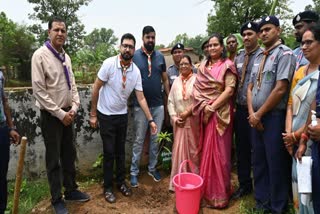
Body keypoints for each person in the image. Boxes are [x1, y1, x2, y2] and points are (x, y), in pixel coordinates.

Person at [89, 33, 157, 203]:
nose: (127, 49)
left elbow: (140, 97)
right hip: (105, 115)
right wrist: (93, 114)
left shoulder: (135, 71)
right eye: (125, 45)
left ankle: (120, 182)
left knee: (120, 152)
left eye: (130, 46)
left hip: (121, 115)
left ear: (134, 50)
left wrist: (151, 119)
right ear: (120, 47)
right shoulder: (109, 64)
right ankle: (107, 187)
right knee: (109, 152)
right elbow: (96, 88)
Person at [31, 16, 90, 214]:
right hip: (51, 116)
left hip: (68, 114)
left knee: (69, 154)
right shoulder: (40, 56)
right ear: (49, 32)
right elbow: (39, 90)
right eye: (56, 30)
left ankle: (71, 190)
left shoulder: (67, 57)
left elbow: (72, 85)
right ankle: (57, 199)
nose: (60, 33)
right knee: (53, 158)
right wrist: (59, 113)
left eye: (63, 30)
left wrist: (74, 107)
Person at [247, 16, 296, 213]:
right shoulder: (259, 57)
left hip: (274, 118)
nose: (264, 33)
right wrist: (252, 114)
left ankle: (278, 207)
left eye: (268, 29)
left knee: (275, 163)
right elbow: (250, 87)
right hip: (255, 118)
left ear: (278, 30)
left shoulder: (285, 54)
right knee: (258, 161)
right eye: (262, 31)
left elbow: (281, 88)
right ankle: (262, 202)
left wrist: (259, 114)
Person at [193, 33, 238, 208]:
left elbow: (229, 90)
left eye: (215, 45)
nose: (212, 48)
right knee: (206, 153)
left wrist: (213, 107)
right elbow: (197, 89)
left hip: (221, 116)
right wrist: (205, 106)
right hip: (205, 115)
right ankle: (206, 193)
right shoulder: (203, 66)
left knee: (221, 155)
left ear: (222, 47)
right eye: (209, 45)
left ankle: (219, 195)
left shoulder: (228, 65)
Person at [284, 25, 320, 214]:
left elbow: (314, 111)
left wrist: (298, 136)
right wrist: (289, 135)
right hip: (296, 139)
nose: (304, 47)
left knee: (312, 188)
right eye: (302, 43)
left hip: (311, 140)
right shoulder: (300, 72)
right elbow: (290, 105)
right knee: (300, 185)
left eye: (309, 42)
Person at [130, 26, 170, 187]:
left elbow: (165, 80)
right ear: (142, 38)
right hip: (139, 107)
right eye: (148, 37)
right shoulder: (134, 56)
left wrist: (169, 99)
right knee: (139, 140)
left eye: (153, 37)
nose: (151, 40)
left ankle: (152, 168)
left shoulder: (160, 57)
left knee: (155, 140)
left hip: (158, 106)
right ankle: (134, 172)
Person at [232, 21, 262, 199]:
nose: (246, 37)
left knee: (257, 150)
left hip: (258, 112)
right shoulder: (239, 57)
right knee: (242, 149)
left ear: (257, 35)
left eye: (250, 34)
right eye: (244, 35)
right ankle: (244, 185)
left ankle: (260, 187)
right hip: (240, 110)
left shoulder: (263, 55)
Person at [167, 55, 199, 191]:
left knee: (194, 151)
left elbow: (199, 100)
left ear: (191, 66)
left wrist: (187, 113)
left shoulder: (197, 80)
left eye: (186, 64)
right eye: (181, 64)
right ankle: (179, 182)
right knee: (179, 152)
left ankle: (195, 180)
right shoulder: (176, 82)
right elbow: (170, 102)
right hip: (179, 123)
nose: (183, 66)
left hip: (193, 122)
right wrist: (174, 118)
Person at [0, 68, 20, 214]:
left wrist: (10, 127)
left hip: (1, 130)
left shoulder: (0, 75)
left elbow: (4, 101)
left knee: (1, 175)